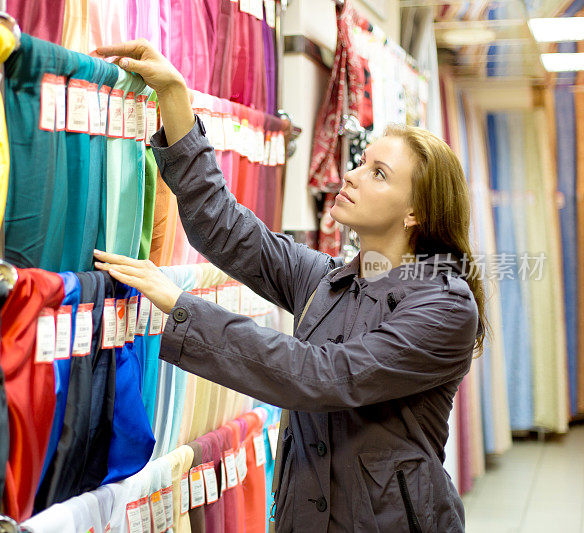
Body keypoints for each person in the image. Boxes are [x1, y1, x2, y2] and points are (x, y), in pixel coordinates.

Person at [92, 39, 486, 533]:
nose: (353, 175)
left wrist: (184, 307)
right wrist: (175, 98)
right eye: (363, 162)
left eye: (378, 174)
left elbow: (325, 376)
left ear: (416, 213)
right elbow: (226, 227)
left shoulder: (446, 308)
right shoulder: (329, 279)